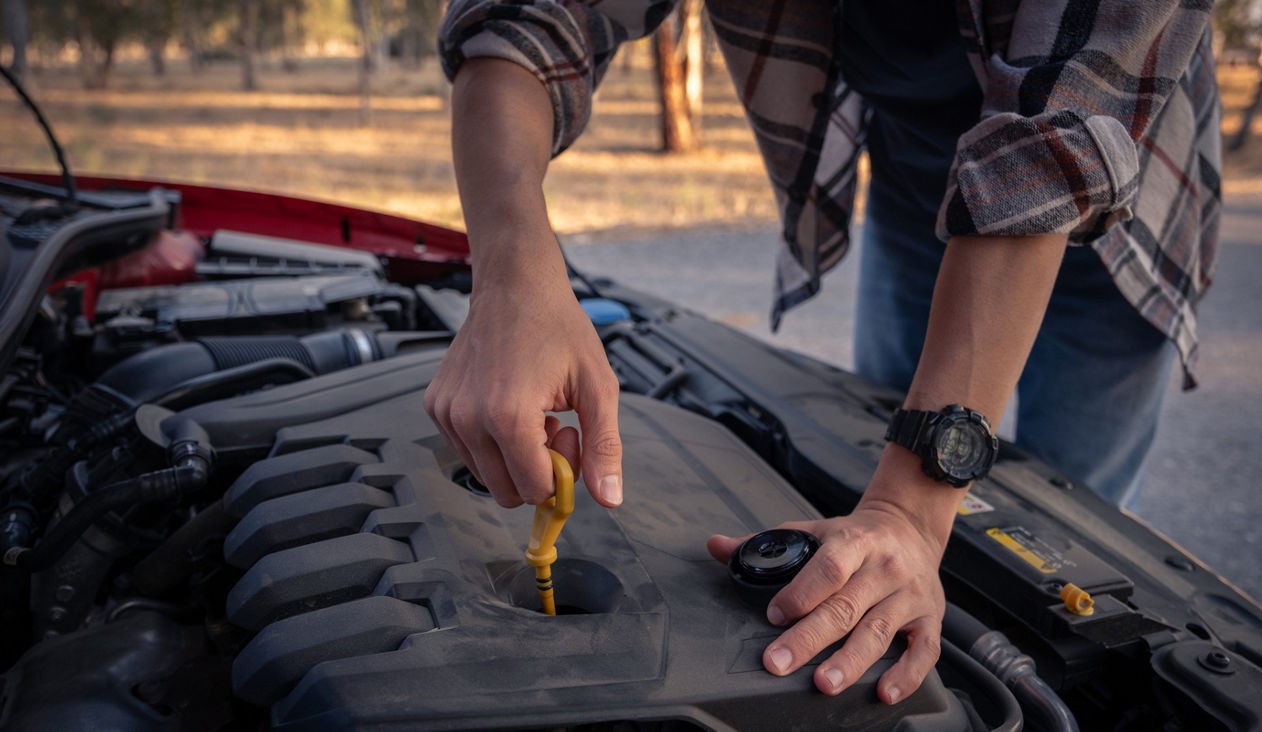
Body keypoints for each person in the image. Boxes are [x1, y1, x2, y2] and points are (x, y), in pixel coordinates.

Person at [424, 0, 1220, 704]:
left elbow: (1055, 138)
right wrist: (509, 273)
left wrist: (909, 506)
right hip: (918, 184)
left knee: (1061, 557)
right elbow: (520, 19)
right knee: (874, 480)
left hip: (1118, 206)